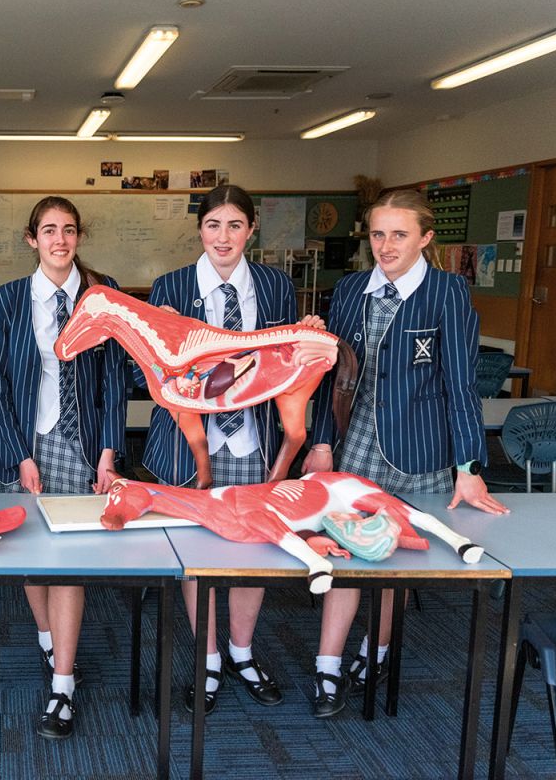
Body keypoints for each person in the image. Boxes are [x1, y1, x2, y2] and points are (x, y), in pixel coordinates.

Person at [302, 189, 508, 718]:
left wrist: (469, 467)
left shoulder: (447, 292)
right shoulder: (350, 289)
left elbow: (461, 386)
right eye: (377, 234)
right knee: (346, 551)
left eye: (399, 234)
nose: (386, 245)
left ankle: (376, 651)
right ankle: (328, 667)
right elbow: (331, 376)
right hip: (354, 445)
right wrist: (321, 441)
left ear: (425, 238)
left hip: (417, 452)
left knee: (392, 560)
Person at [142, 184, 324, 715]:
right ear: (200, 230)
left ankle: (243, 650)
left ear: (251, 230)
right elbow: (147, 372)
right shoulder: (169, 286)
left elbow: (289, 358)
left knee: (254, 548)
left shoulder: (274, 285)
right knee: (198, 556)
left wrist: (308, 334)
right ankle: (209, 658)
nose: (223, 237)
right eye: (213, 225)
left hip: (254, 441)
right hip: (189, 442)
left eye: (235, 226)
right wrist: (164, 341)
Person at [0, 196, 127, 739]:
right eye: (49, 231)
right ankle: (48, 639)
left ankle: (62, 685)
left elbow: (115, 379)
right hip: (24, 443)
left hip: (81, 446)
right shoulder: (8, 300)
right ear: (32, 239)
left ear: (79, 237)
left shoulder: (102, 295)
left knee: (67, 558)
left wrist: (109, 453)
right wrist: (20, 453)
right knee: (31, 553)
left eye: (68, 230)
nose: (60, 240)